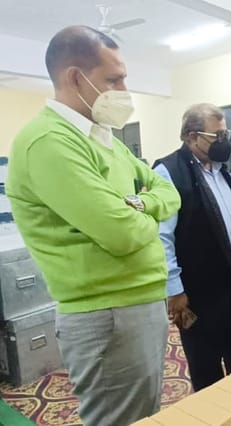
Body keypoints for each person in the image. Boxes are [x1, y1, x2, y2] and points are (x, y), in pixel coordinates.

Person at [5, 26, 181, 425]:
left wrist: (139, 204)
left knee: (143, 415)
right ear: (75, 78)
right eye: (114, 80)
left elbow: (168, 192)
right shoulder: (48, 142)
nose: (125, 90)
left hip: (138, 302)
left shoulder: (105, 139)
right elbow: (123, 234)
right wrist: (145, 217)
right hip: (108, 313)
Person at [153, 103, 231, 391]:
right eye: (217, 136)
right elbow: (162, 237)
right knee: (206, 367)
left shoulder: (220, 169)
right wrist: (174, 289)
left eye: (226, 134)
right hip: (197, 291)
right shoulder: (168, 171)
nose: (224, 141)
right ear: (191, 137)